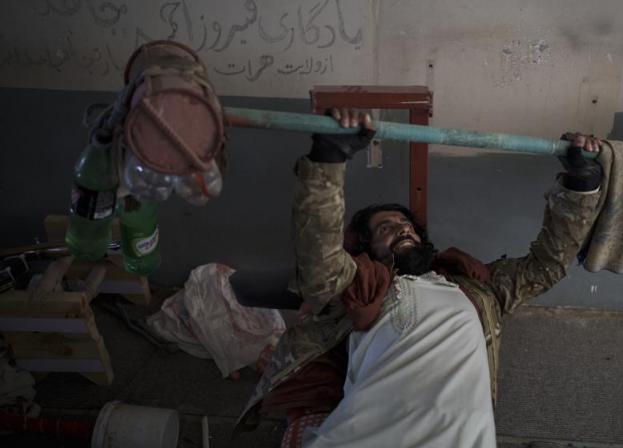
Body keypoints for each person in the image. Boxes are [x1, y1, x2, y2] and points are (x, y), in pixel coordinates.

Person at [235, 109, 603, 447]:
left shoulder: (477, 288)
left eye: (406, 224)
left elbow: (547, 266)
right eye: (386, 228)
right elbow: (319, 261)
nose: (402, 228)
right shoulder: (363, 285)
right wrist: (328, 160)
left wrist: (580, 186)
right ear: (366, 249)